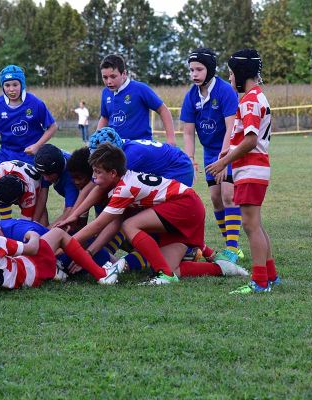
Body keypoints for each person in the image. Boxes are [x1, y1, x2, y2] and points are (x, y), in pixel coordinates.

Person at [72, 143, 240, 285]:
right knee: (171, 267)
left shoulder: (124, 189)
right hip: (188, 204)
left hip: (185, 204)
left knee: (130, 225)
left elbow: (98, 224)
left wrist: (67, 244)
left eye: (97, 172)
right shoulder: (124, 181)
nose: (94, 178)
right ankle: (224, 268)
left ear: (113, 173)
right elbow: (109, 222)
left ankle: (164, 274)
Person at [206, 49, 280, 294]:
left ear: (240, 73)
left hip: (251, 169)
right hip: (254, 169)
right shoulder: (258, 97)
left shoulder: (249, 100)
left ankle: (260, 282)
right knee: (256, 224)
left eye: (230, 74)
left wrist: (224, 160)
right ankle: (271, 275)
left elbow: (250, 140)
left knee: (250, 226)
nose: (229, 79)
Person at [0, 210, 122, 297]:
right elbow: (33, 249)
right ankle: (101, 275)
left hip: (3, 281)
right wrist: (32, 234)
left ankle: (56, 271)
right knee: (59, 234)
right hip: (31, 272)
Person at [181, 48, 244, 261]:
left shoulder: (225, 91)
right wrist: (190, 159)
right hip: (210, 154)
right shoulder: (191, 96)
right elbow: (188, 132)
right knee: (216, 199)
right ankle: (231, 244)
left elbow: (231, 128)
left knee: (228, 195)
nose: (194, 74)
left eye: (199, 69)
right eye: (191, 70)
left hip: (230, 149)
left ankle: (233, 249)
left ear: (210, 69)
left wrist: (224, 159)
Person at [0, 65, 57, 164]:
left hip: (32, 157)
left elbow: (52, 126)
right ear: (2, 86)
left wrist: (37, 146)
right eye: (7, 85)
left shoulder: (35, 103)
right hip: (7, 157)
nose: (11, 89)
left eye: (15, 85)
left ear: (22, 84)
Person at [97, 54, 176, 145]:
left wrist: (171, 139)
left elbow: (163, 110)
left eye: (113, 76)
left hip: (140, 146)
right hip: (116, 147)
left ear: (124, 74)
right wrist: (97, 138)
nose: (109, 81)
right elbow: (105, 117)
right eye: (105, 77)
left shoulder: (140, 89)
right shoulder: (106, 92)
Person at [33, 144, 81, 227]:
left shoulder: (71, 177)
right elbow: (41, 197)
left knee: (75, 223)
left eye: (48, 175)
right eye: (43, 174)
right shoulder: (45, 164)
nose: (45, 179)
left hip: (98, 192)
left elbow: (69, 211)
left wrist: (46, 232)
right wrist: (34, 224)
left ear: (59, 170)